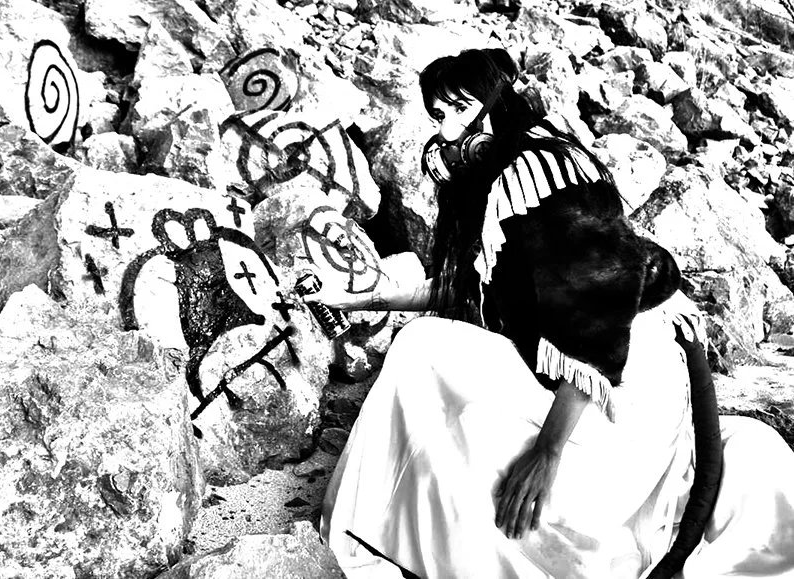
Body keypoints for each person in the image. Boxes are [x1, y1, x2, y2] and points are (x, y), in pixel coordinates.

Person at [308, 48, 794, 579]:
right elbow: (467, 288)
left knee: (422, 349)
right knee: (423, 347)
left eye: (459, 110)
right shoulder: (506, 175)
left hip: (619, 373)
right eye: (438, 115)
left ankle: (382, 527)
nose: (445, 132)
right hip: (582, 355)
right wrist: (364, 297)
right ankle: (390, 522)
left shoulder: (538, 171)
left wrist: (548, 451)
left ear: (495, 106)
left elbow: (595, 314)